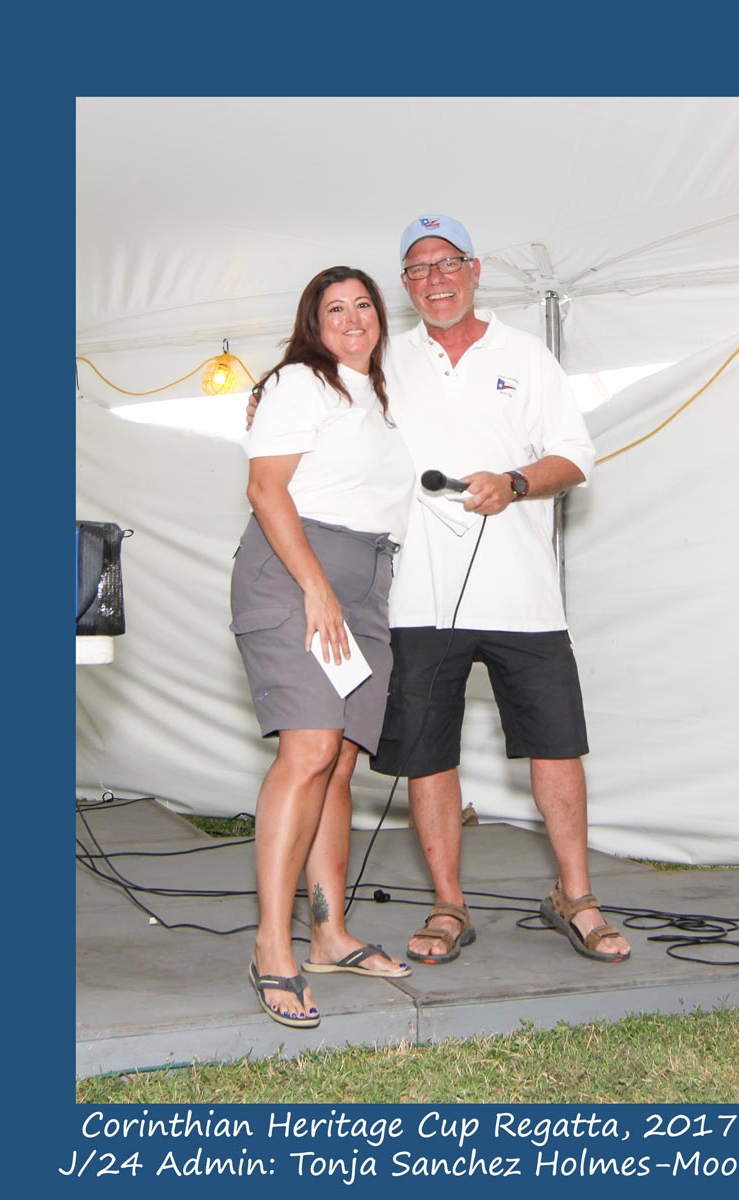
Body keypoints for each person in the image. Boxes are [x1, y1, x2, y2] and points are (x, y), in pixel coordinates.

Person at [249, 218, 631, 970]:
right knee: (428, 753)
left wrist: (516, 482)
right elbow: (312, 419)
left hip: (524, 595)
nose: (436, 279)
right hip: (411, 599)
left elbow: (576, 457)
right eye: (418, 269)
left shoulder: (525, 354)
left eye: (448, 263)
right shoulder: (380, 358)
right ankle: (447, 904)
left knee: (556, 744)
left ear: (475, 270)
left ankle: (576, 896)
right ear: (405, 285)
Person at [231, 265, 417, 1029]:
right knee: (308, 749)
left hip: (366, 578)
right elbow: (266, 488)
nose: (352, 317)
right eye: (334, 308)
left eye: (363, 304)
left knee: (339, 760)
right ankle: (270, 946)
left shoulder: (380, 398)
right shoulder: (299, 382)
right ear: (313, 322)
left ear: (380, 316)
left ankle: (329, 935)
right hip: (295, 573)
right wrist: (314, 586)